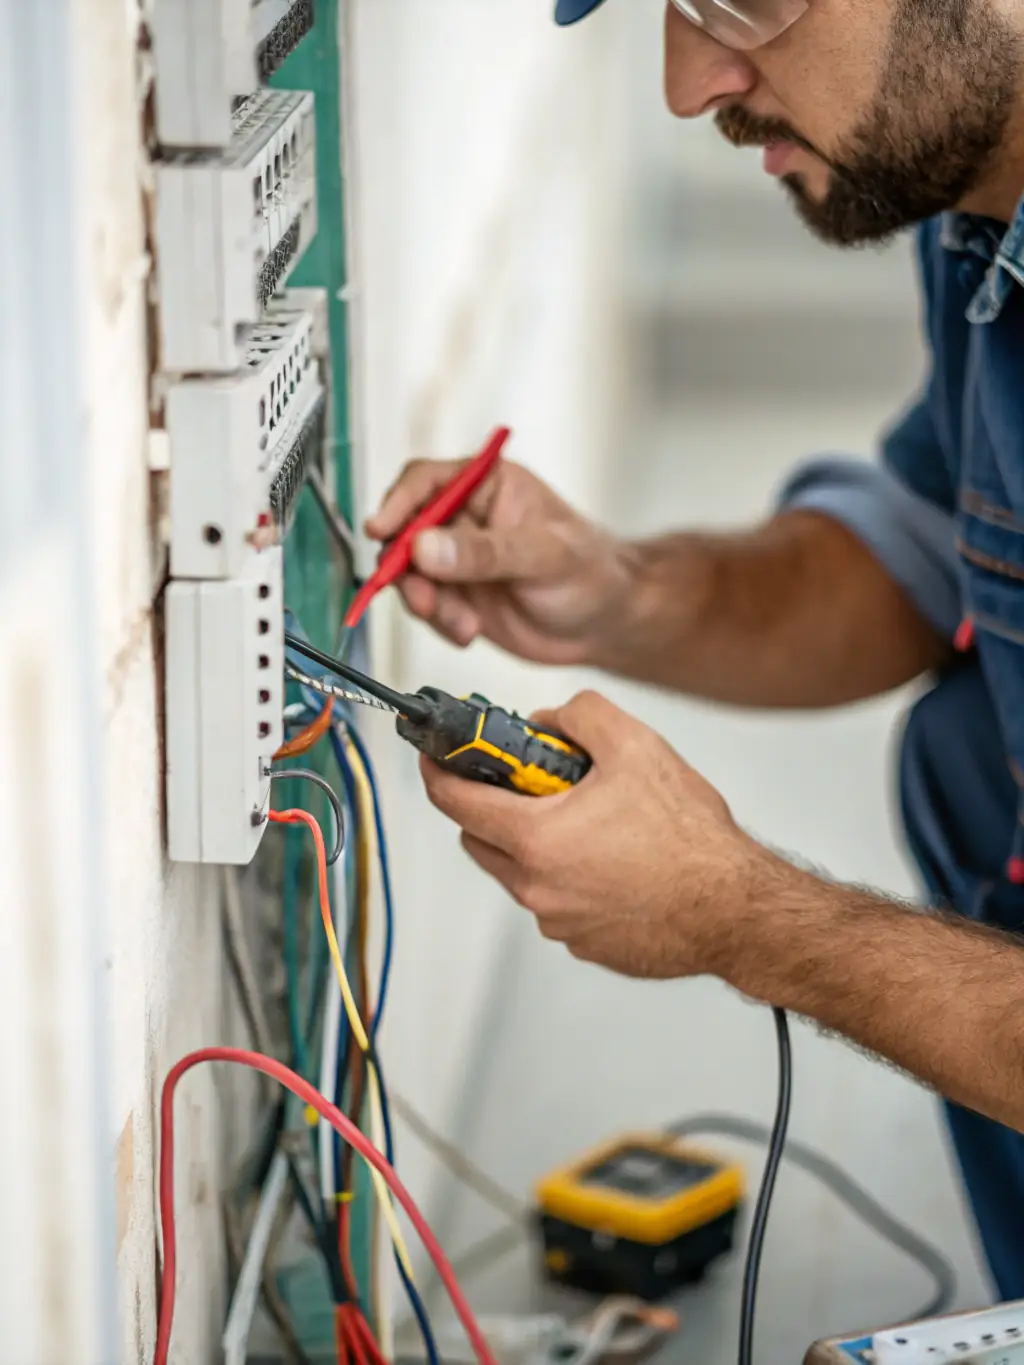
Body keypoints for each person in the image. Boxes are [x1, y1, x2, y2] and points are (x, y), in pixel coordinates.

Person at [367, 0, 1024, 1300]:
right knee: (966, 744)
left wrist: (740, 916)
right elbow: (938, 546)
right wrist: (614, 593)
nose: (685, 83)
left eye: (738, 0)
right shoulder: (980, 199)